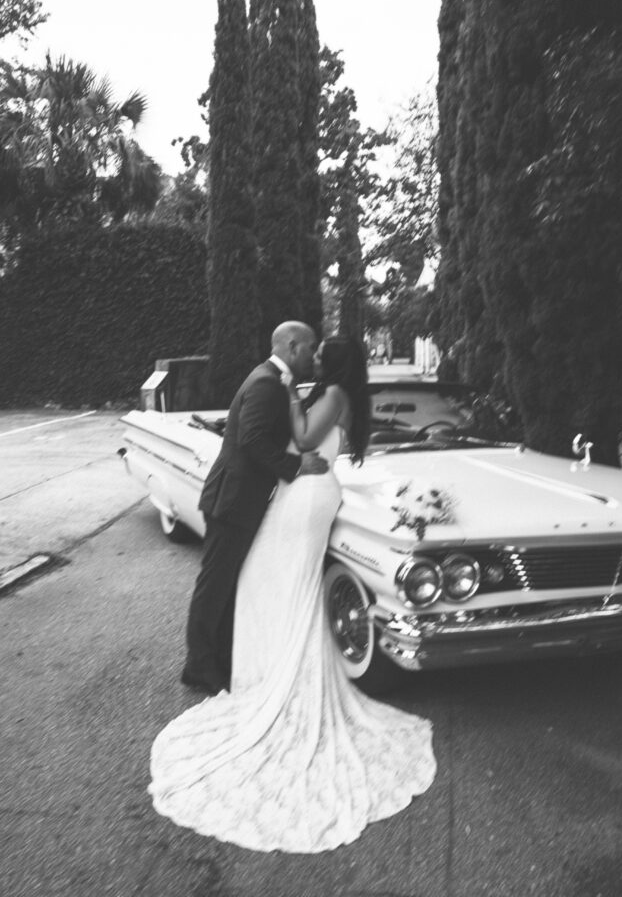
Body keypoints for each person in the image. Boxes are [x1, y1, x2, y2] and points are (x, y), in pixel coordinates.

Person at [149, 336, 436, 853]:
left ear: (333, 361)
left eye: (323, 353)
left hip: (305, 497)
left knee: (284, 581)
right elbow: (276, 440)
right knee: (270, 580)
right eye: (313, 349)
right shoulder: (307, 386)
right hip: (296, 493)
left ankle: (265, 673)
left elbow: (303, 441)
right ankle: (248, 667)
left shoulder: (324, 393)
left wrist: (290, 395)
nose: (317, 358)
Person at [181, 321, 329, 697]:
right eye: (310, 348)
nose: (313, 355)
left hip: (238, 499)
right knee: (214, 586)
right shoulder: (266, 382)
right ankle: (198, 667)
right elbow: (253, 440)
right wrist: (297, 467)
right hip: (232, 500)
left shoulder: (274, 380)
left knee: (227, 583)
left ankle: (218, 660)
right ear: (293, 346)